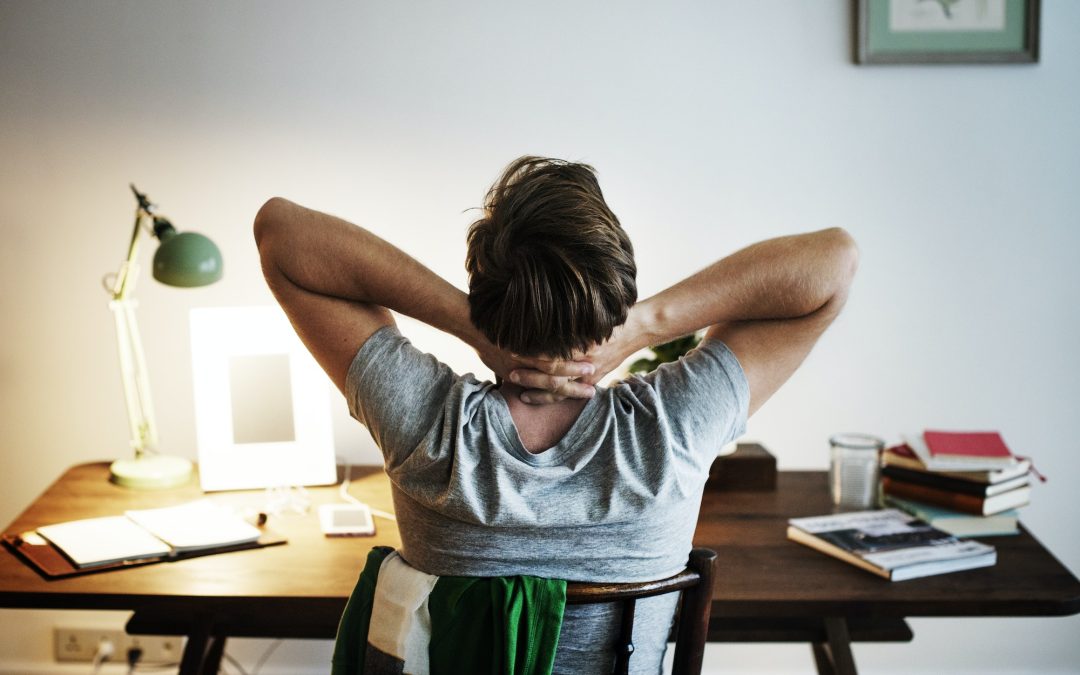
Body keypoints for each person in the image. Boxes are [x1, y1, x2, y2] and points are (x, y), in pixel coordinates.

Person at [254, 156, 858, 673]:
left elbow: (282, 232)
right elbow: (833, 262)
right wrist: (640, 326)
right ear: (616, 293)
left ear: (485, 293)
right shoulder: (674, 427)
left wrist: (474, 326)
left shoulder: (424, 422)